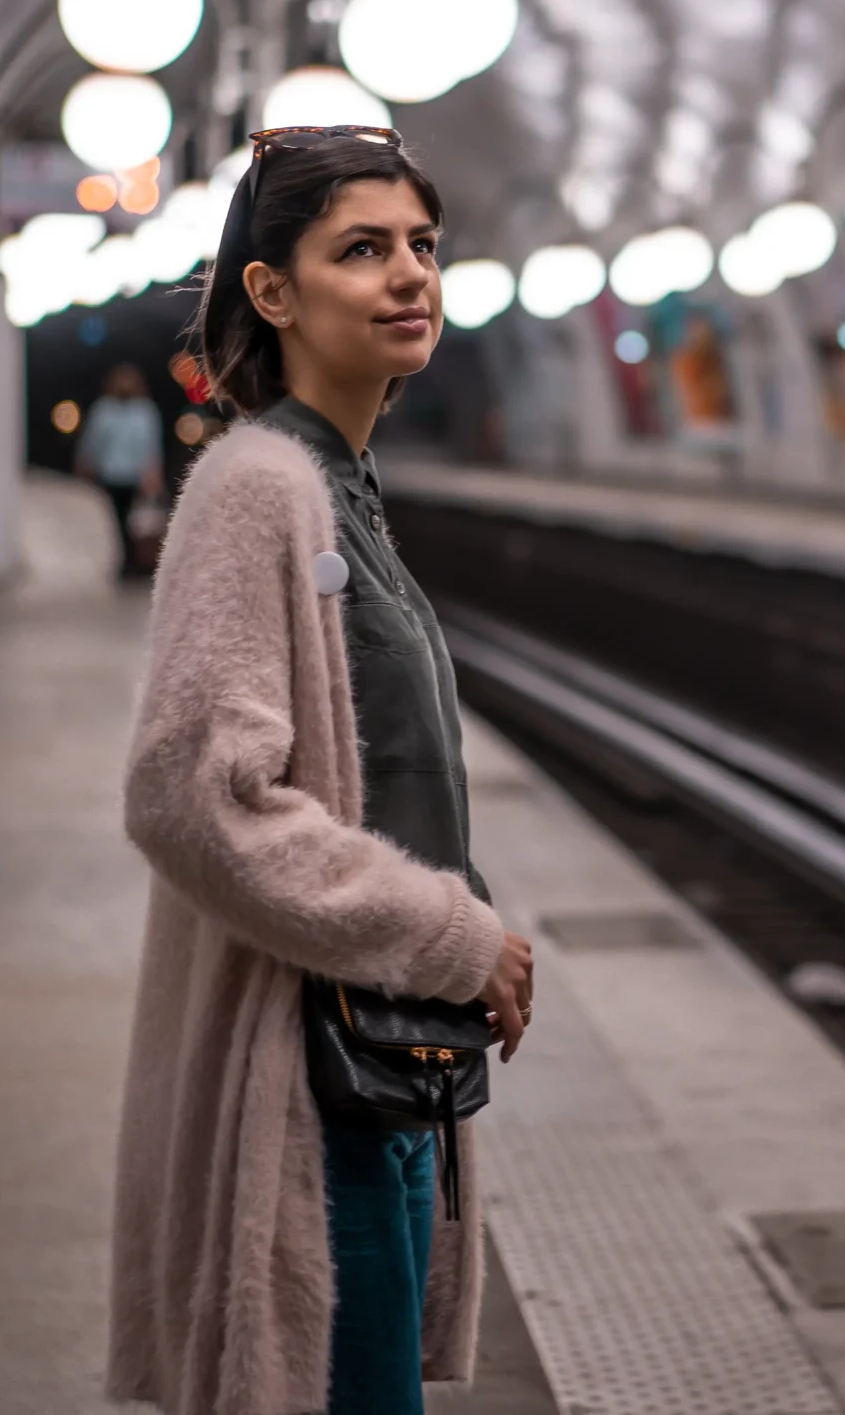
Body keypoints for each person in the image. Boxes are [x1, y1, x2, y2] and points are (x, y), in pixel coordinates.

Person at [108, 128, 536, 1415]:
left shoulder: (339, 486)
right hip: (308, 1080)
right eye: (362, 250)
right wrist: (452, 935)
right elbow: (193, 793)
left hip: (382, 1060)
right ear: (273, 293)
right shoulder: (258, 488)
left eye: (421, 246)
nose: (409, 275)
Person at [75, 363, 166, 579]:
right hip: (111, 475)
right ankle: (124, 561)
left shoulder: (145, 411)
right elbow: (92, 442)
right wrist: (86, 465)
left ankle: (138, 561)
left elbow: (151, 445)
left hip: (136, 476)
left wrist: (153, 473)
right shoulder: (104, 410)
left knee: (137, 522)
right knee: (117, 519)